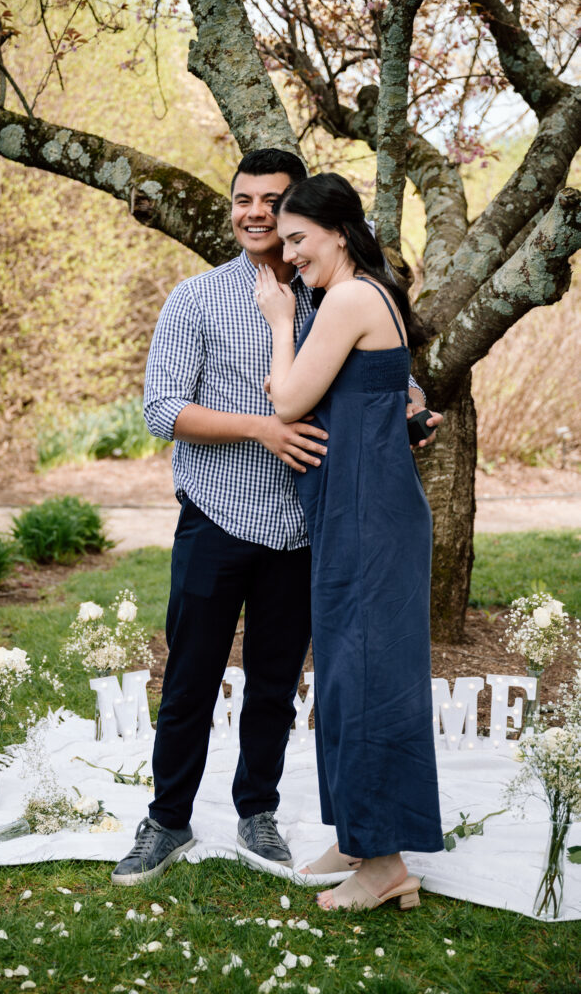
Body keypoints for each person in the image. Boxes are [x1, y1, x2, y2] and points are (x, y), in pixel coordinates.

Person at [111, 149, 439, 887]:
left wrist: (412, 411)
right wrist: (261, 428)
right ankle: (166, 820)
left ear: (306, 215)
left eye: (274, 202)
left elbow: (384, 377)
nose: (256, 214)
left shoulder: (331, 290)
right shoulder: (195, 299)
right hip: (218, 518)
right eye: (243, 199)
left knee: (274, 683)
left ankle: (257, 810)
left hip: (307, 528)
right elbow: (162, 409)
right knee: (191, 677)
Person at [255, 172, 444, 912]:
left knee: (365, 679)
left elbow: (293, 396)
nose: (290, 254)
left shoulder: (353, 297)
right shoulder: (360, 295)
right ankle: (358, 835)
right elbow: (387, 395)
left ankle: (388, 863)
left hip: (370, 516)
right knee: (342, 673)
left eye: (297, 239)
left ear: (337, 231)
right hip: (355, 509)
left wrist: (277, 322)